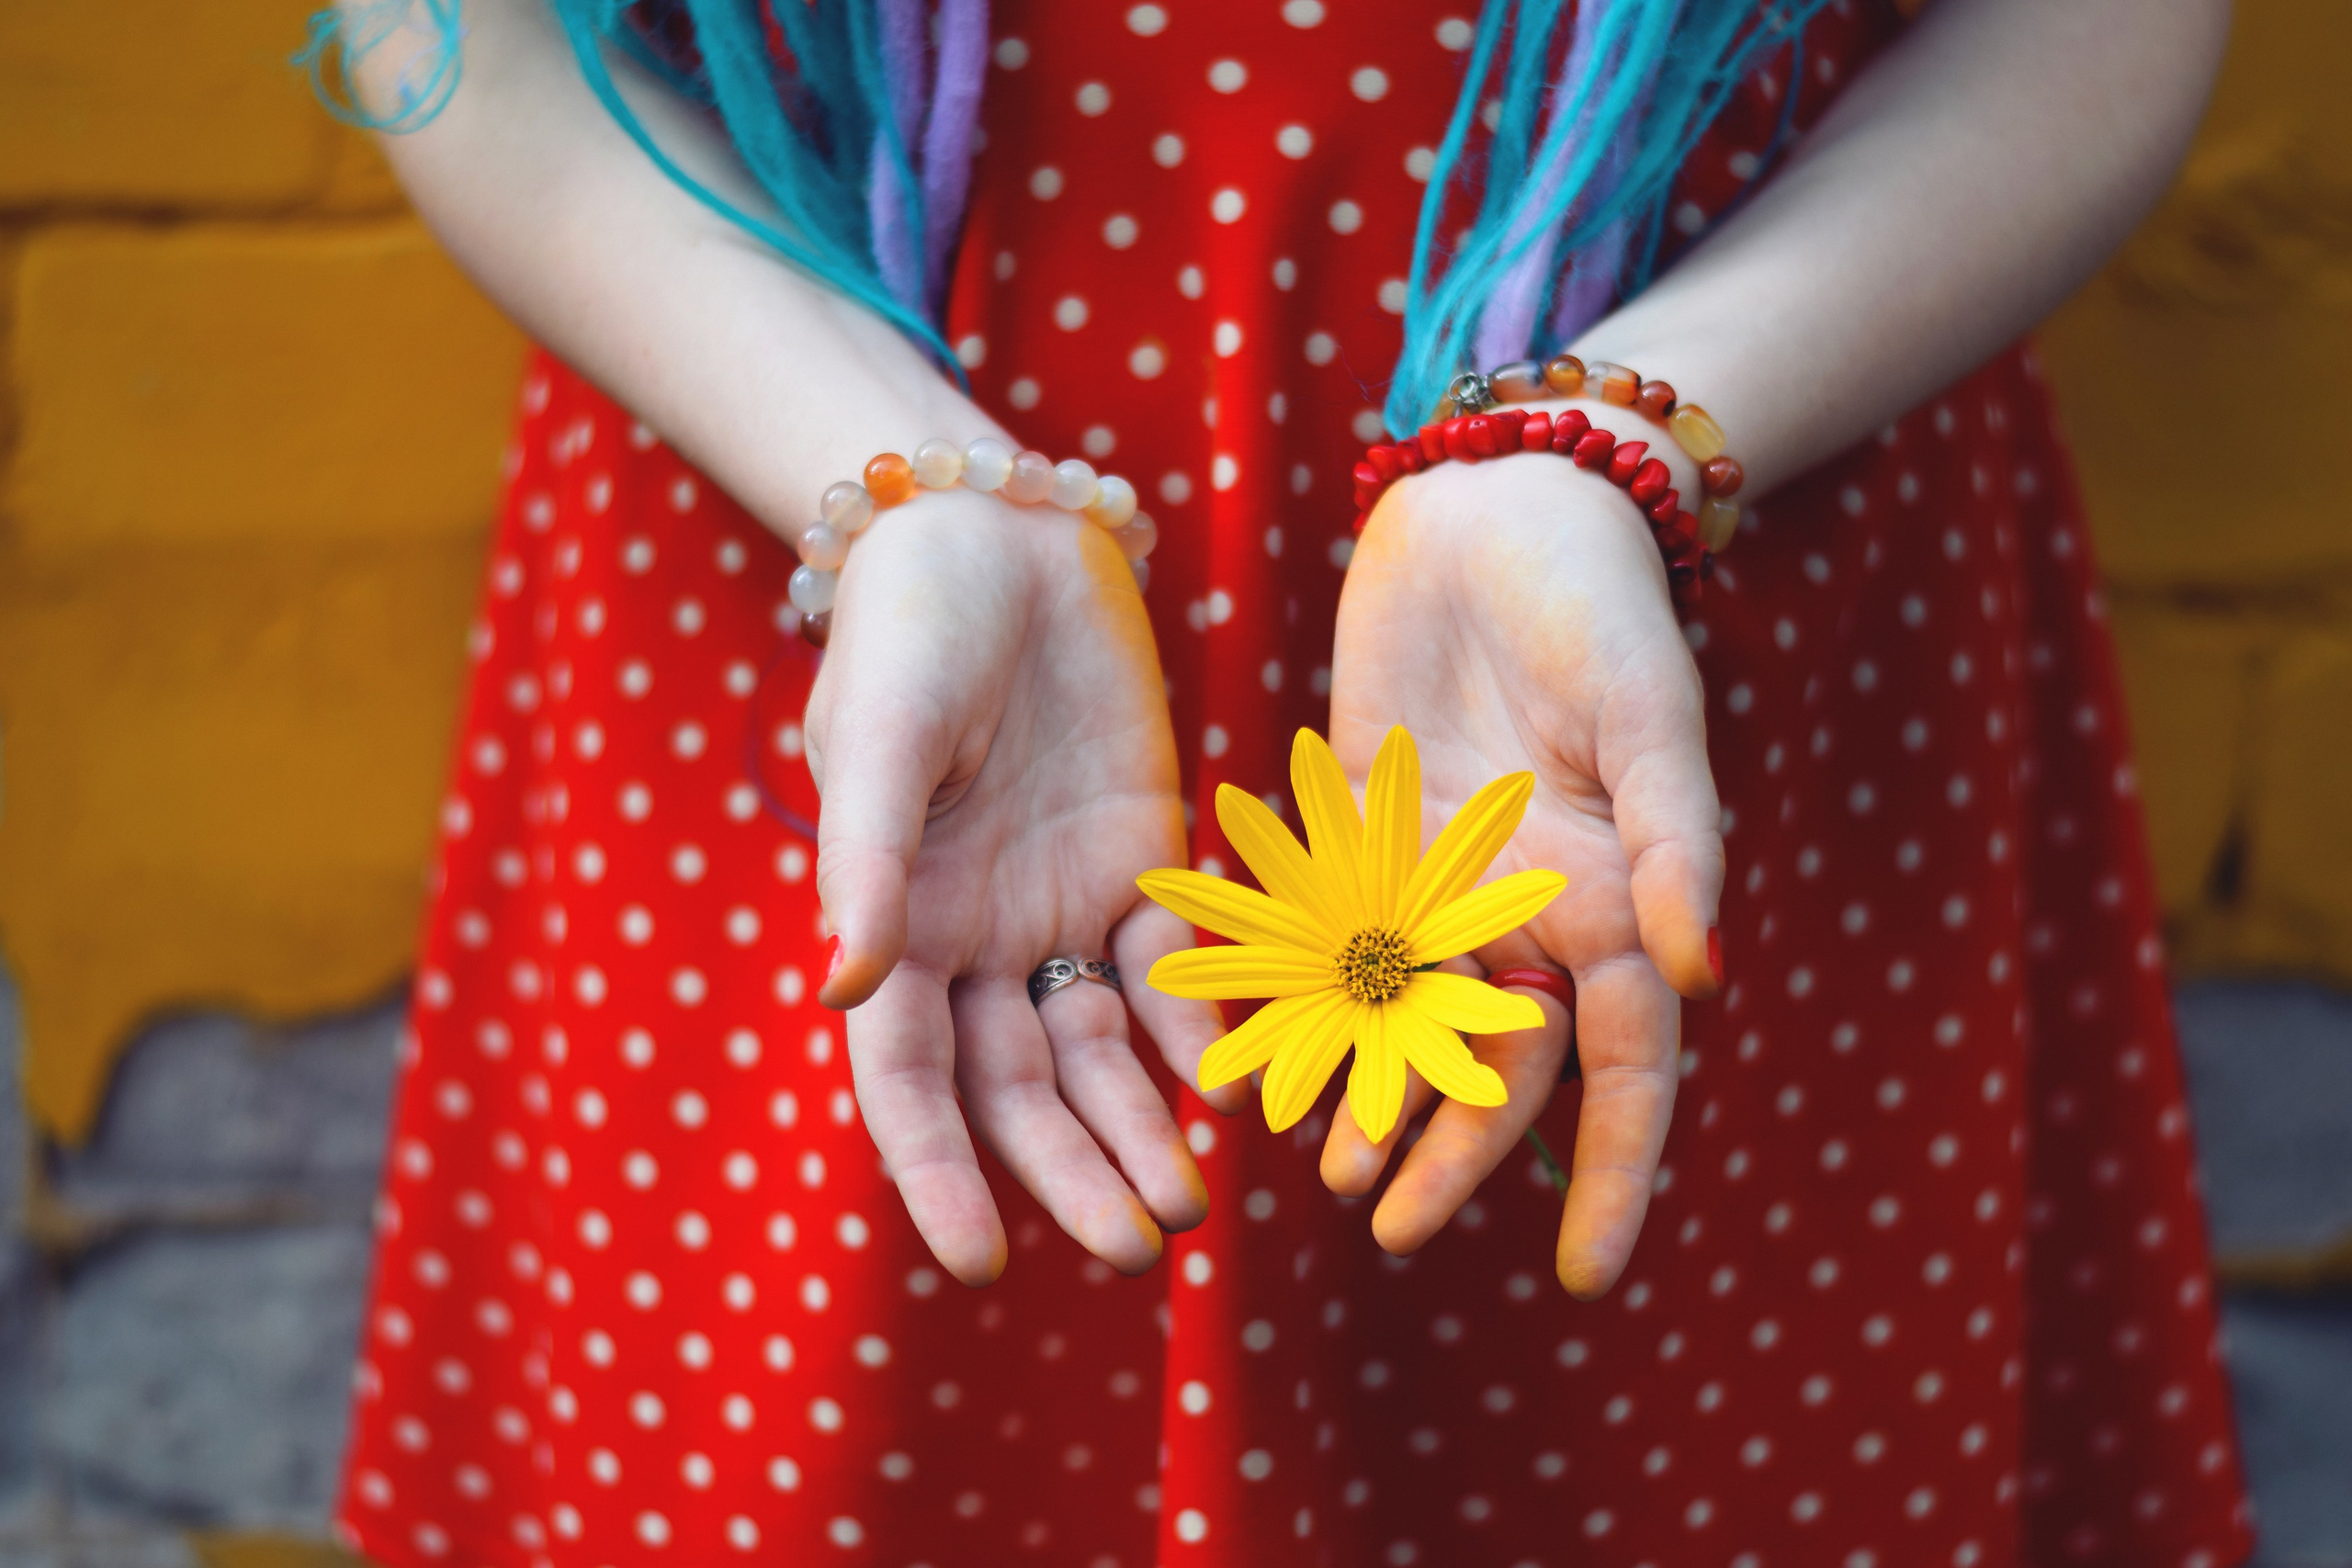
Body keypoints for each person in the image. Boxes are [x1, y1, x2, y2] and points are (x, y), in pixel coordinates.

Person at [326, 0, 2255, 1562]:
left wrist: (1622, 437)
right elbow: (450, 30)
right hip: (830, 579)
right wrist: (886, 470)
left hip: (1664, 602)